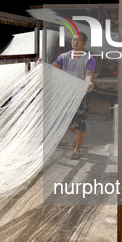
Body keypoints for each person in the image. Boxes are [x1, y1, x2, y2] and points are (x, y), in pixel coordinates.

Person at [52, 32, 95, 160]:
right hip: (65, 92)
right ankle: (76, 138)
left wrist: (88, 83)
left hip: (81, 94)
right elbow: (53, 68)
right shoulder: (63, 56)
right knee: (63, 120)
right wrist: (42, 65)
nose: (74, 42)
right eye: (73, 40)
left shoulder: (89, 59)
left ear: (84, 43)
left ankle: (77, 149)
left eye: (78, 40)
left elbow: (89, 74)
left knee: (80, 122)